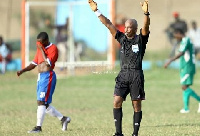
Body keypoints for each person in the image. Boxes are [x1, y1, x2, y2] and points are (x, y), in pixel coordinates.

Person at [88, 0, 150, 136]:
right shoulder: (121, 38)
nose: (126, 29)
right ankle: (118, 133)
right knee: (116, 101)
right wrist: (96, 11)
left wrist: (146, 13)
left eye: (129, 28)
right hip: (123, 75)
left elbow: (146, 27)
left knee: (136, 105)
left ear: (134, 29)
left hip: (136, 75)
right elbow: (108, 24)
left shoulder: (140, 40)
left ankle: (135, 133)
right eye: (125, 27)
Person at [17, 32, 71, 133]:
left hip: (48, 76)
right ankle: (64, 119)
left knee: (41, 102)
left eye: (41, 43)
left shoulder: (53, 48)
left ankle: (38, 127)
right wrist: (22, 71)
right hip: (40, 77)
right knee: (44, 104)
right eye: (38, 43)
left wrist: (41, 49)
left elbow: (48, 63)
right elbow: (34, 64)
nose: (39, 44)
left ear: (46, 41)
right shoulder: (40, 49)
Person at [164, 29, 200, 113]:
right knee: (184, 87)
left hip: (188, 67)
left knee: (184, 86)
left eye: (175, 35)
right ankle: (186, 108)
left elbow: (181, 53)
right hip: (185, 66)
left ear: (179, 33)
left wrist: (170, 61)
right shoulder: (184, 40)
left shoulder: (186, 40)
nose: (175, 38)